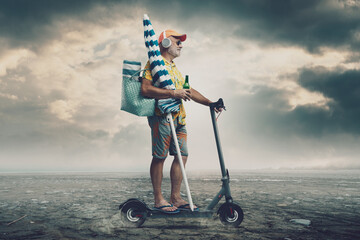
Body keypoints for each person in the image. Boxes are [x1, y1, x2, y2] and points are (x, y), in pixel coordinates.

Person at [141, 29, 220, 213]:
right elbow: (145, 90)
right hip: (162, 117)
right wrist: (172, 93)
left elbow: (188, 90)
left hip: (179, 118)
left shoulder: (175, 68)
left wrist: (210, 103)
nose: (181, 45)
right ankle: (159, 199)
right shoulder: (153, 64)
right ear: (166, 43)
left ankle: (175, 197)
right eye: (177, 41)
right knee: (159, 157)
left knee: (182, 155)